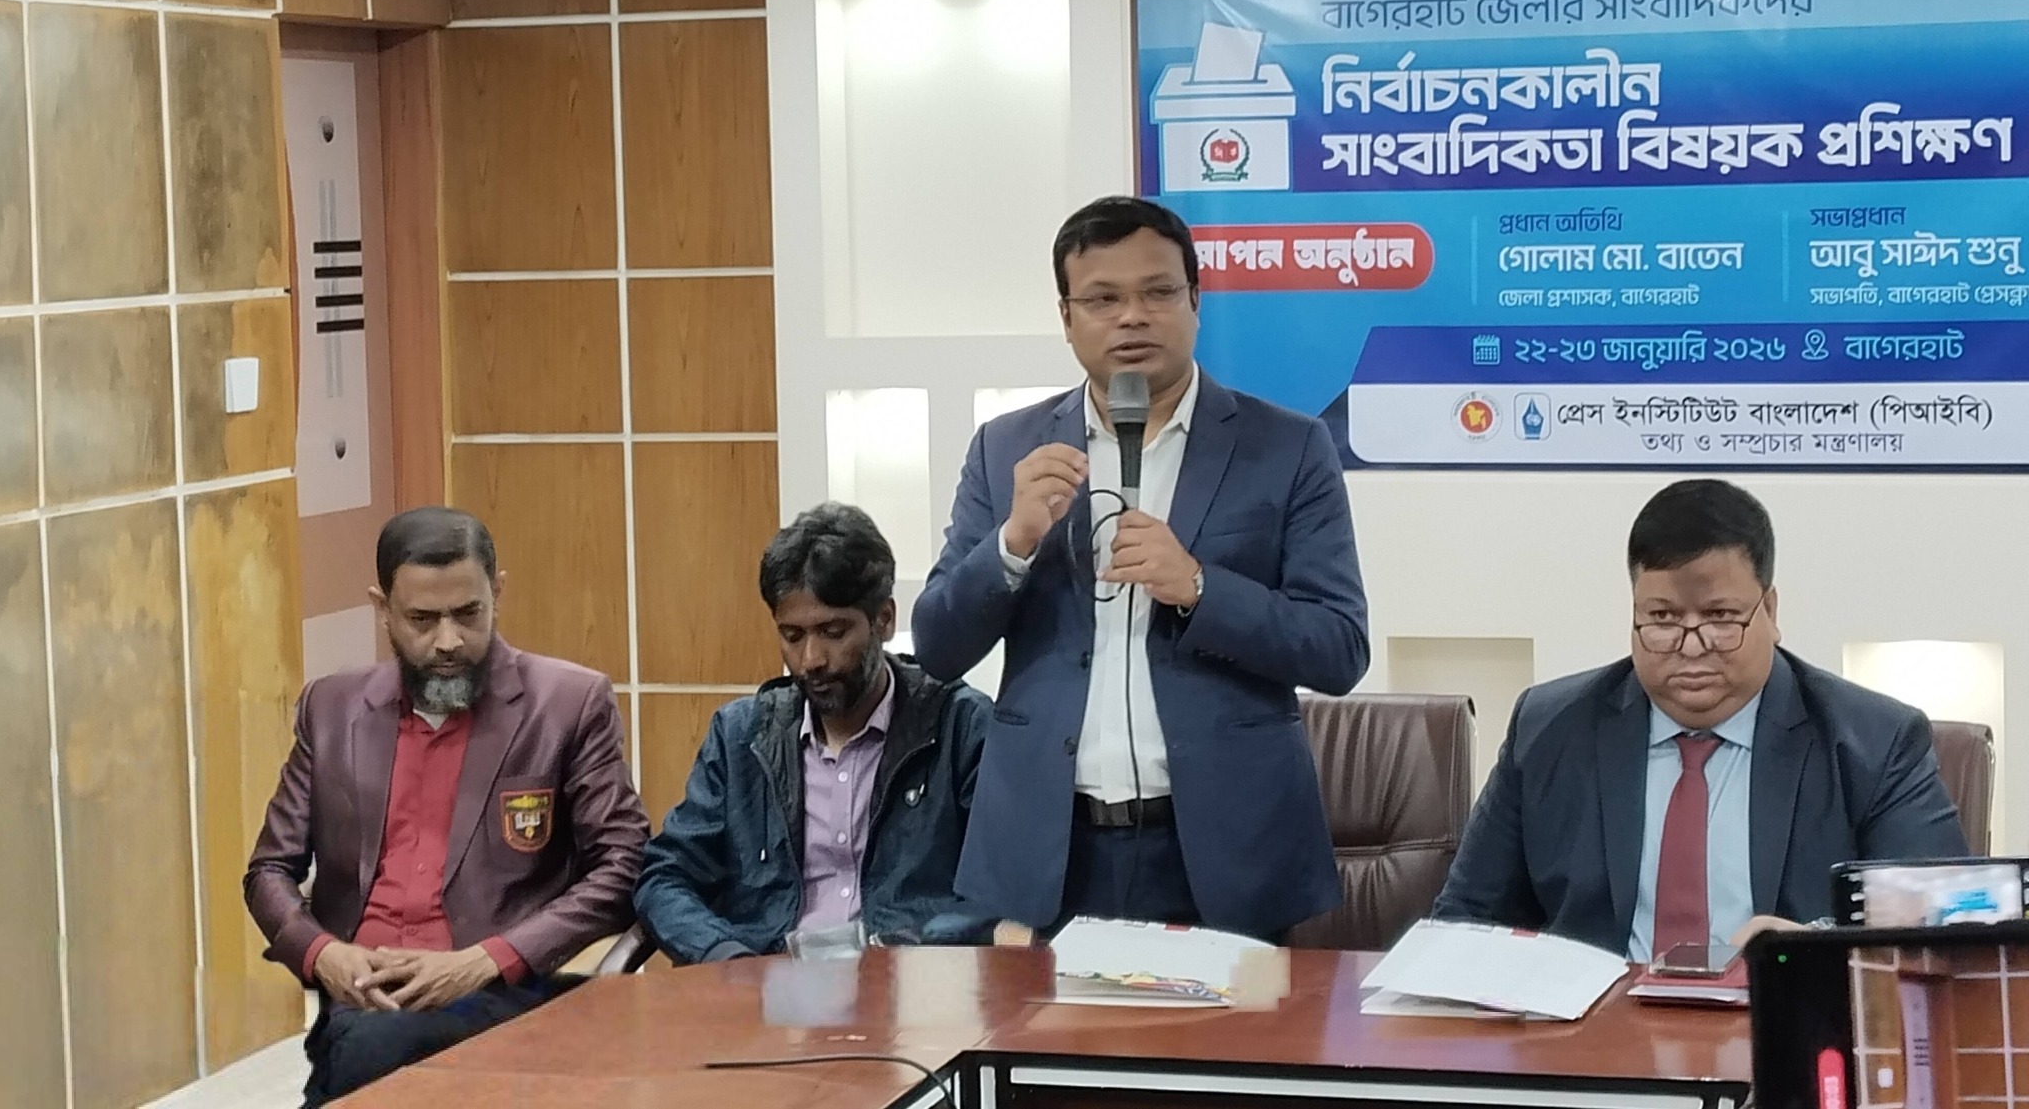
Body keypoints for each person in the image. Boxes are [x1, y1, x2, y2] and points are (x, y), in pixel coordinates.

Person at [912, 195, 1370, 942]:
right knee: (1044, 1029)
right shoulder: (1005, 449)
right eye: (1103, 299)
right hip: (1050, 851)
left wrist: (1199, 587)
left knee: (1232, 1029)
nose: (1132, 316)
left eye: (1158, 292)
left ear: (1195, 301)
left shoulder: (1287, 447)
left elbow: (1339, 647)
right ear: (1067, 318)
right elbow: (936, 645)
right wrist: (1013, 542)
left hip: (1225, 851)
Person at [1432, 478, 1967, 959]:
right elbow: (1462, 923)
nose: (1691, 647)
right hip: (1594, 1026)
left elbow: (1942, 928)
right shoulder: (1548, 729)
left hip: (1781, 1018)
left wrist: (1814, 949)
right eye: (1662, 618)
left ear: (1770, 611)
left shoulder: (1875, 741)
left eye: (1720, 617)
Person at [245, 508, 648, 1107]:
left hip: (500, 992)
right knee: (368, 1041)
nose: (449, 641)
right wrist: (323, 953)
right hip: (364, 996)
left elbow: (624, 866)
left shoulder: (566, 704)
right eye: (423, 620)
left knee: (366, 1054)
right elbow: (268, 871)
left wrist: (484, 961)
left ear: (497, 593)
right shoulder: (331, 708)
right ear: (382, 609)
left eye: (468, 613)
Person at [635, 503, 993, 963]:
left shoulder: (960, 726)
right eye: (792, 636)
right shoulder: (741, 736)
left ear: (884, 619)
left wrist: (906, 955)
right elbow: (664, 878)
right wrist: (727, 958)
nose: (811, 660)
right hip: (764, 986)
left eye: (833, 632)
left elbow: (998, 889)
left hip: (907, 985)